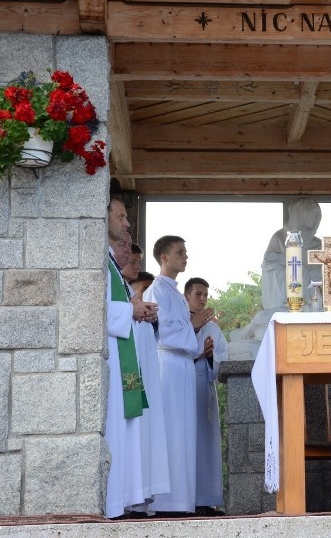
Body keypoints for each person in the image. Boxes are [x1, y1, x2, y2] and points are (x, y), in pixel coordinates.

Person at [142, 235, 205, 516]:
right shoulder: (156, 291)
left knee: (184, 432)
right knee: (171, 431)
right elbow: (163, 332)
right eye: (180, 252)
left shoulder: (178, 296)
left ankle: (184, 500)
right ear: (164, 257)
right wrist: (192, 326)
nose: (185, 256)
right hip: (167, 366)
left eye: (186, 251)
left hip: (183, 367)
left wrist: (191, 328)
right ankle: (167, 501)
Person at [104, 198, 157, 519]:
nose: (126, 223)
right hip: (109, 362)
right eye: (121, 216)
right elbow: (88, 307)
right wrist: (131, 309)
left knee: (125, 428)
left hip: (120, 359)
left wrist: (136, 310)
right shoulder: (98, 260)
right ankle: (112, 502)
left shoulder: (110, 264)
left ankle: (119, 500)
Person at [121, 240, 171, 512]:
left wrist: (150, 319)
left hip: (145, 378)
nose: (135, 265)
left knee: (145, 431)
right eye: (131, 260)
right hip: (128, 377)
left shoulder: (133, 294)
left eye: (139, 262)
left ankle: (139, 497)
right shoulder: (124, 294)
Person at [184, 277, 228, 516]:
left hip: (205, 388)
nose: (202, 299)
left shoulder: (213, 327)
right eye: (198, 294)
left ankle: (205, 501)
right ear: (187, 296)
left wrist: (210, 357)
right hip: (184, 386)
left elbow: (224, 354)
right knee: (186, 443)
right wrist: (198, 353)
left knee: (206, 446)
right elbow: (167, 349)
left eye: (205, 295)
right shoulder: (180, 320)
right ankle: (185, 499)